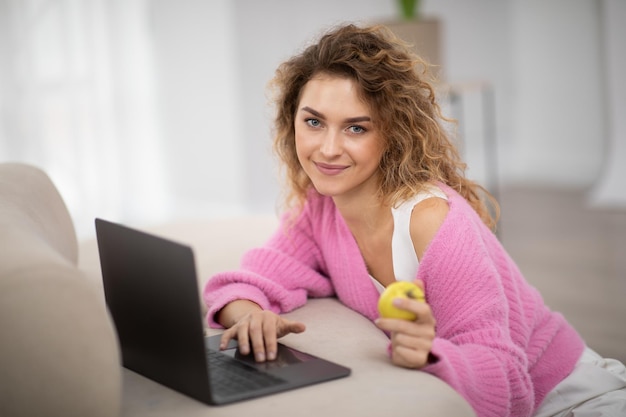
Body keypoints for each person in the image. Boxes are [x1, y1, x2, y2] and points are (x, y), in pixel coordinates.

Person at [203, 23, 626, 417]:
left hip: (572, 396)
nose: (328, 149)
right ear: (291, 122)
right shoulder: (320, 210)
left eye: (355, 128)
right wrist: (250, 316)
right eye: (314, 122)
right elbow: (250, 282)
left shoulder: (432, 222)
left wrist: (428, 355)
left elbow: (505, 378)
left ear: (392, 133)